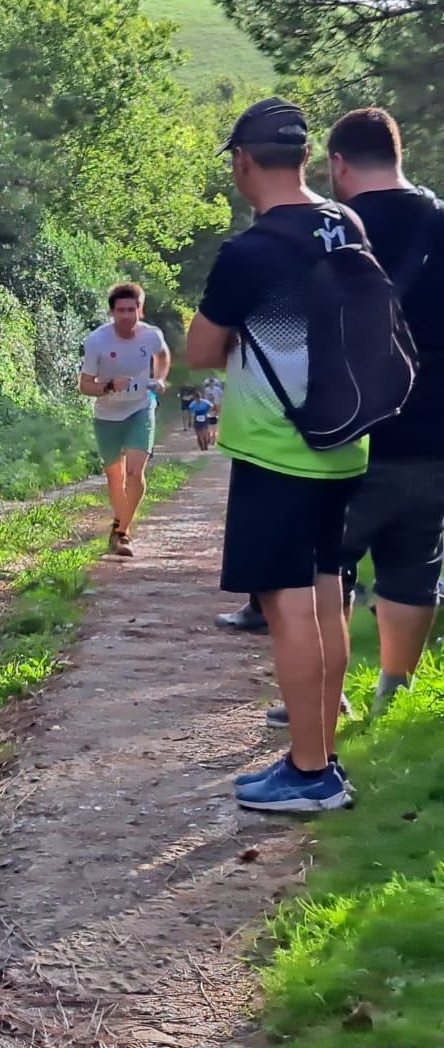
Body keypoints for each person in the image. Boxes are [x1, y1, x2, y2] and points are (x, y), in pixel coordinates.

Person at [188, 97, 368, 812]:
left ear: (242, 162)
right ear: (303, 158)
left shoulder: (252, 251)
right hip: (347, 441)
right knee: (327, 597)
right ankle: (320, 757)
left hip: (278, 447)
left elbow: (202, 350)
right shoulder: (345, 224)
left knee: (289, 603)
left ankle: (309, 772)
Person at [316, 107, 444, 720]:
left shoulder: (331, 229)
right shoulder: (440, 220)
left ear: (339, 164)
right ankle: (394, 696)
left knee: (325, 560)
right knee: (415, 559)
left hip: (350, 428)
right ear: (398, 155)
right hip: (433, 425)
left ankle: (326, 695)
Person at [79, 282, 170, 556]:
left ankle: (122, 532)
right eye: (121, 310)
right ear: (112, 312)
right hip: (107, 415)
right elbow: (84, 386)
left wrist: (160, 379)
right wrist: (108, 387)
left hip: (140, 409)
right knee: (115, 476)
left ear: (140, 310)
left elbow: (163, 355)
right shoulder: (97, 341)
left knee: (134, 472)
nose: (127, 315)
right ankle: (118, 527)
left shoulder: (151, 335)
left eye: (132, 309)